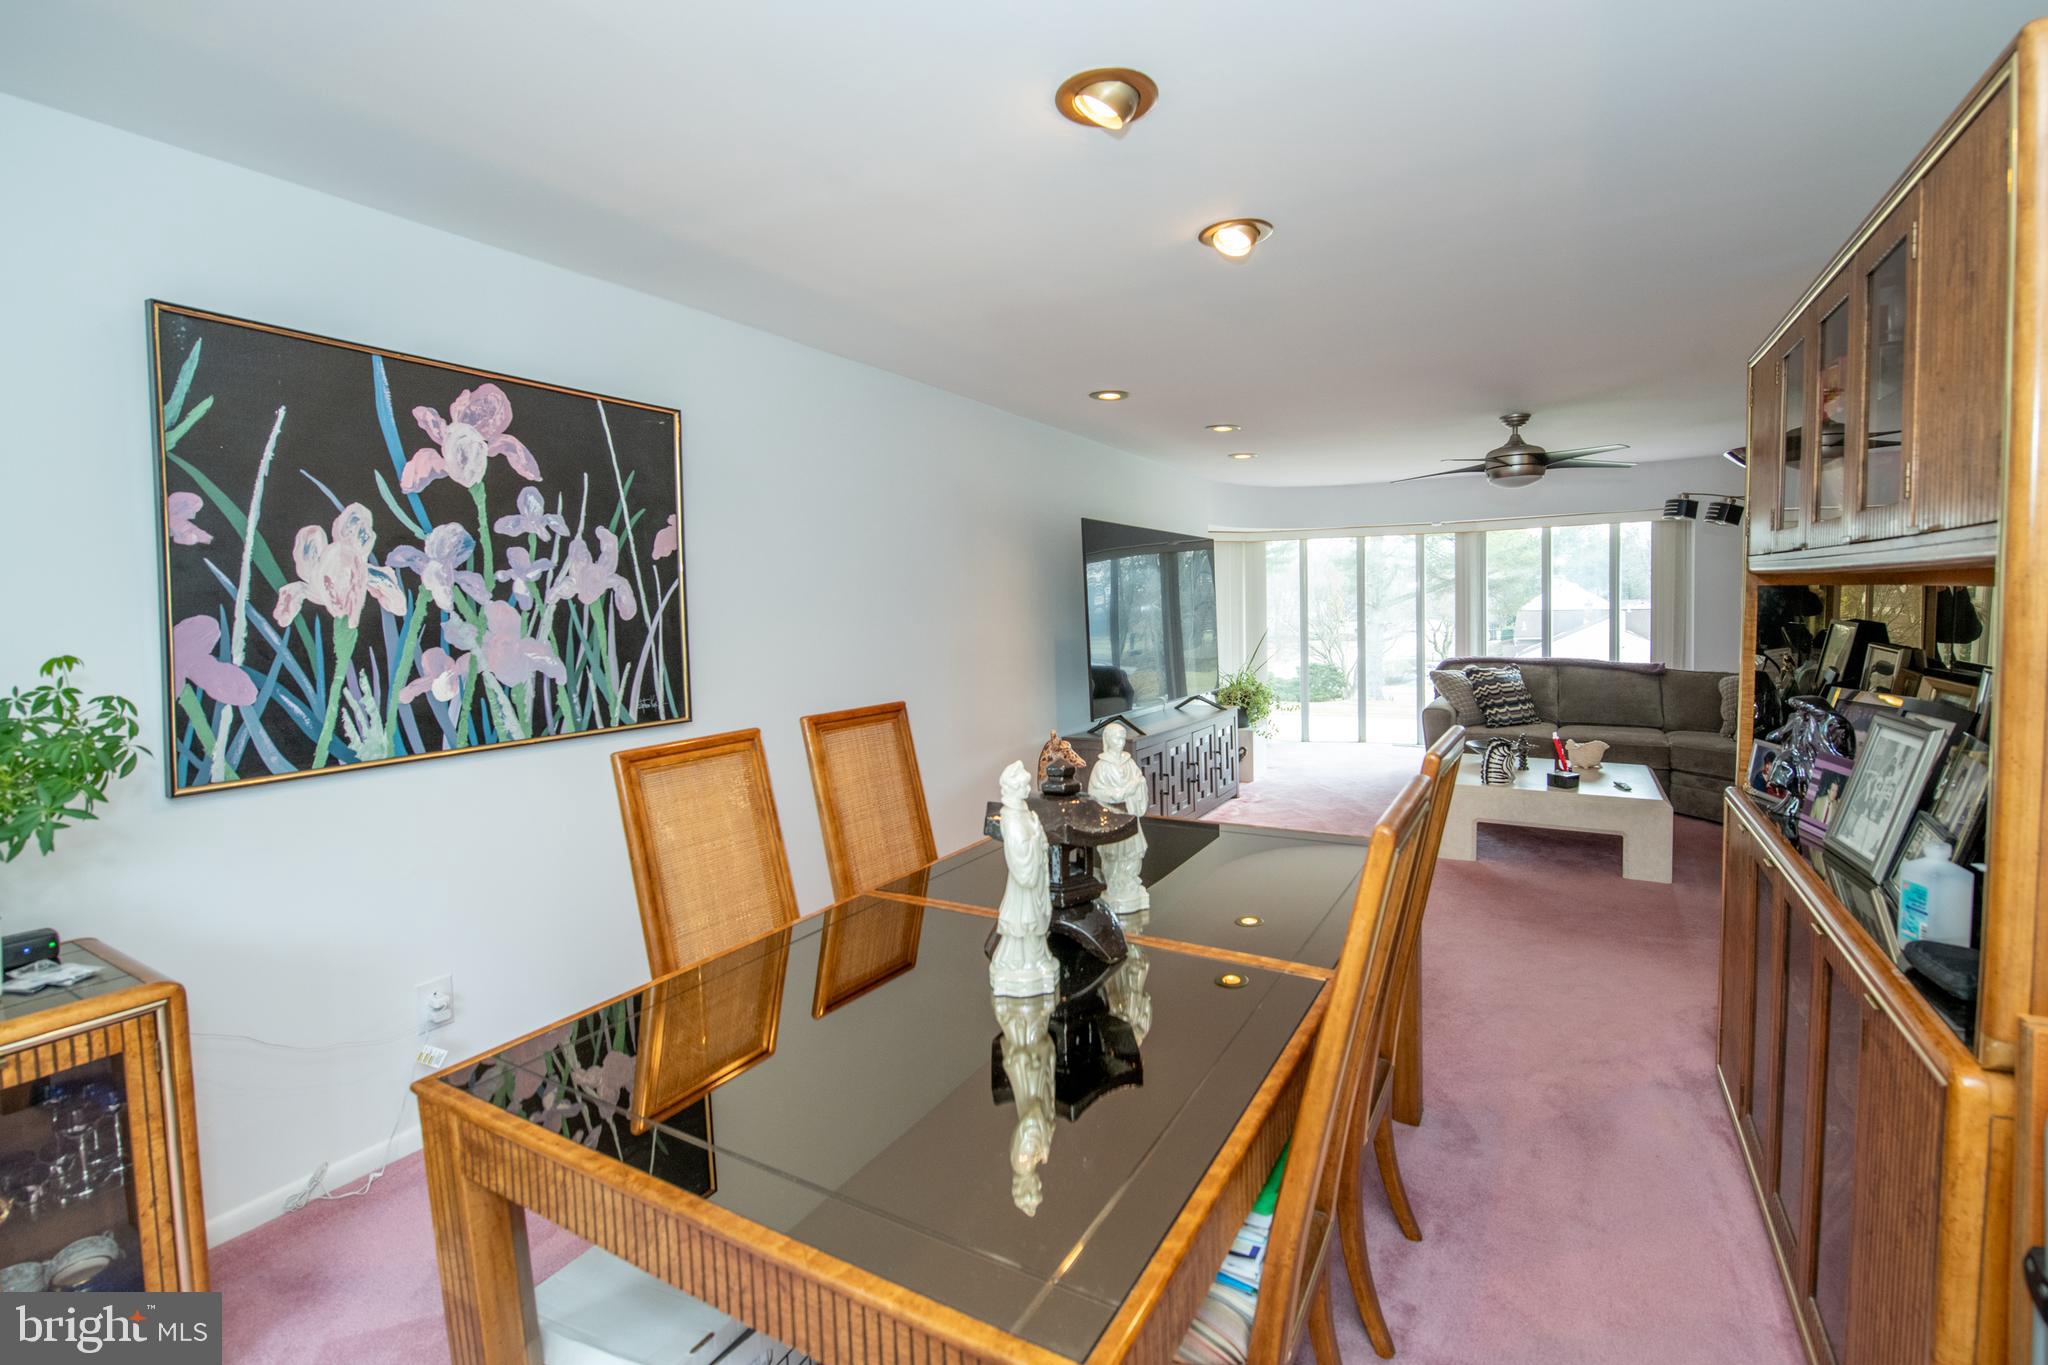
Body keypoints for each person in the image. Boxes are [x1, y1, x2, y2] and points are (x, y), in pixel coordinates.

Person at [1088, 723, 1150, 915]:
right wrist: (1118, 793)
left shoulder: (1128, 762)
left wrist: (1137, 786)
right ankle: (1115, 885)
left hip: (1129, 816)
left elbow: (1140, 781)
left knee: (1133, 852)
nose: (1121, 742)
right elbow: (1094, 793)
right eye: (1116, 737)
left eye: (1123, 737)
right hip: (1113, 818)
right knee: (1113, 855)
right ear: (1107, 739)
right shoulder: (1101, 766)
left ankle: (1130, 881)